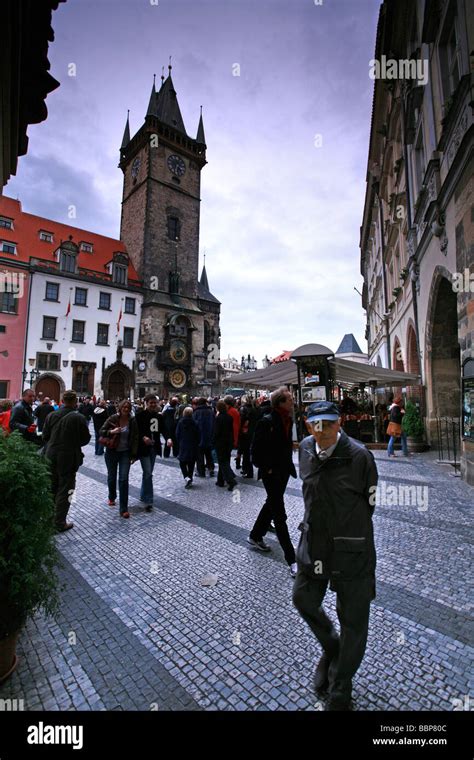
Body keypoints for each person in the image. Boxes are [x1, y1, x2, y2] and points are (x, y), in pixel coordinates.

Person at [292, 401, 378, 711]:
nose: (323, 430)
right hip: (314, 543)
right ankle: (332, 648)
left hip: (352, 548)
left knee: (354, 620)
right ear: (307, 425)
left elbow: (370, 503)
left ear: (339, 423)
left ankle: (342, 683)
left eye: (329, 423)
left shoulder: (359, 456)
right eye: (316, 424)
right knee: (303, 598)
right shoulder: (304, 449)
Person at [248, 386, 297, 577]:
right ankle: (292, 560)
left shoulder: (288, 420)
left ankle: (255, 535)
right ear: (281, 403)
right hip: (271, 473)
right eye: (290, 400)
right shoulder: (266, 421)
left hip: (283, 472)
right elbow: (255, 452)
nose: (293, 402)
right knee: (279, 514)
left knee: (271, 503)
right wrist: (267, 467)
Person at [41, 390, 91, 532]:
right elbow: (85, 439)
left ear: (62, 401)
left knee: (52, 486)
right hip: (68, 457)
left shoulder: (51, 415)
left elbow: (45, 436)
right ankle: (60, 521)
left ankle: (48, 518)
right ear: (75, 401)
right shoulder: (78, 418)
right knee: (67, 489)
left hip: (51, 455)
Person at [100, 399, 139, 518]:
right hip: (112, 452)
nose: (126, 409)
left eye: (128, 407)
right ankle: (112, 496)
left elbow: (135, 437)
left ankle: (123, 509)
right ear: (120, 408)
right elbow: (101, 431)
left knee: (123, 479)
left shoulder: (132, 421)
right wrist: (111, 431)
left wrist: (134, 455)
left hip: (125, 453)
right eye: (124, 407)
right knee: (112, 477)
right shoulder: (113, 418)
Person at [135, 394, 163, 509]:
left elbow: (163, 429)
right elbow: (136, 431)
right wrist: (143, 437)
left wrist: (169, 438)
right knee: (148, 473)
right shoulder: (140, 415)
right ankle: (149, 499)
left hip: (154, 448)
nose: (153, 405)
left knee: (148, 473)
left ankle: (142, 494)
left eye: (154, 403)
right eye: (151, 402)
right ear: (146, 403)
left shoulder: (159, 416)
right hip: (143, 448)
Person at [213, 399, 237, 491]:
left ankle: (230, 480)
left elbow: (217, 432)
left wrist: (213, 441)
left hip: (221, 443)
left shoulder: (218, 418)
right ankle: (220, 480)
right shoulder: (229, 417)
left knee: (223, 463)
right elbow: (231, 430)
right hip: (228, 442)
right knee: (225, 460)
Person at [176, 407, 200, 488]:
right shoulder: (195, 423)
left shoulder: (180, 422)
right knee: (191, 463)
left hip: (183, 444)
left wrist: (179, 441)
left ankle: (186, 477)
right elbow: (198, 434)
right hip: (193, 445)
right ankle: (190, 477)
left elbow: (177, 434)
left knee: (182, 462)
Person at [193, 397, 215, 477]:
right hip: (209, 436)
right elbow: (214, 423)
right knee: (209, 454)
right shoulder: (211, 411)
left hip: (199, 437)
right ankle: (211, 468)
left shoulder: (196, 412)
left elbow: (194, 425)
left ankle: (201, 471)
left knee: (200, 456)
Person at [239, 396, 259, 478]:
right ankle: (246, 469)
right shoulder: (254, 410)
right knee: (248, 452)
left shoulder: (244, 409)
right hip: (252, 432)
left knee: (246, 452)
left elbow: (242, 421)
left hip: (245, 433)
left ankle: (247, 470)